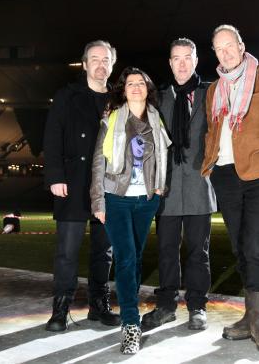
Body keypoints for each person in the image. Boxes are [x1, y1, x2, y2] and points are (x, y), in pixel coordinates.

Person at [202, 24, 259, 352]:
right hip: (226, 176)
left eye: (230, 46)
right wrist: (210, 164)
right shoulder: (214, 89)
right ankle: (250, 316)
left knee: (257, 245)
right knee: (241, 247)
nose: (225, 53)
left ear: (242, 46)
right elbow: (212, 132)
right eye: (219, 49)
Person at [90, 67, 171, 354]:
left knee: (135, 260)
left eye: (141, 83)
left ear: (148, 89)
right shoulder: (112, 118)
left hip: (145, 200)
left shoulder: (156, 120)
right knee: (125, 259)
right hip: (116, 198)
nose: (136, 87)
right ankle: (131, 325)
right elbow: (99, 161)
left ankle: (128, 308)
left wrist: (159, 188)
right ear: (123, 90)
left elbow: (162, 158)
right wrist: (98, 201)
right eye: (131, 84)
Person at [43, 40, 120, 332]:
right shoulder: (67, 95)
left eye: (106, 60)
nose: (100, 64)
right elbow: (52, 136)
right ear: (85, 64)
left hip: (108, 185)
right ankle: (60, 309)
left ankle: (98, 307)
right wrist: (55, 175)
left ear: (112, 64)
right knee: (67, 251)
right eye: (94, 59)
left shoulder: (119, 98)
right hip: (73, 182)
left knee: (104, 251)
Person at [142, 38, 216, 331]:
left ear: (196, 61)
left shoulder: (210, 94)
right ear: (170, 63)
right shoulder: (159, 98)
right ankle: (166, 305)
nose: (182, 64)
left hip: (199, 184)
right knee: (167, 251)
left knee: (199, 251)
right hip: (167, 188)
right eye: (176, 58)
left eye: (188, 57)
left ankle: (197, 306)